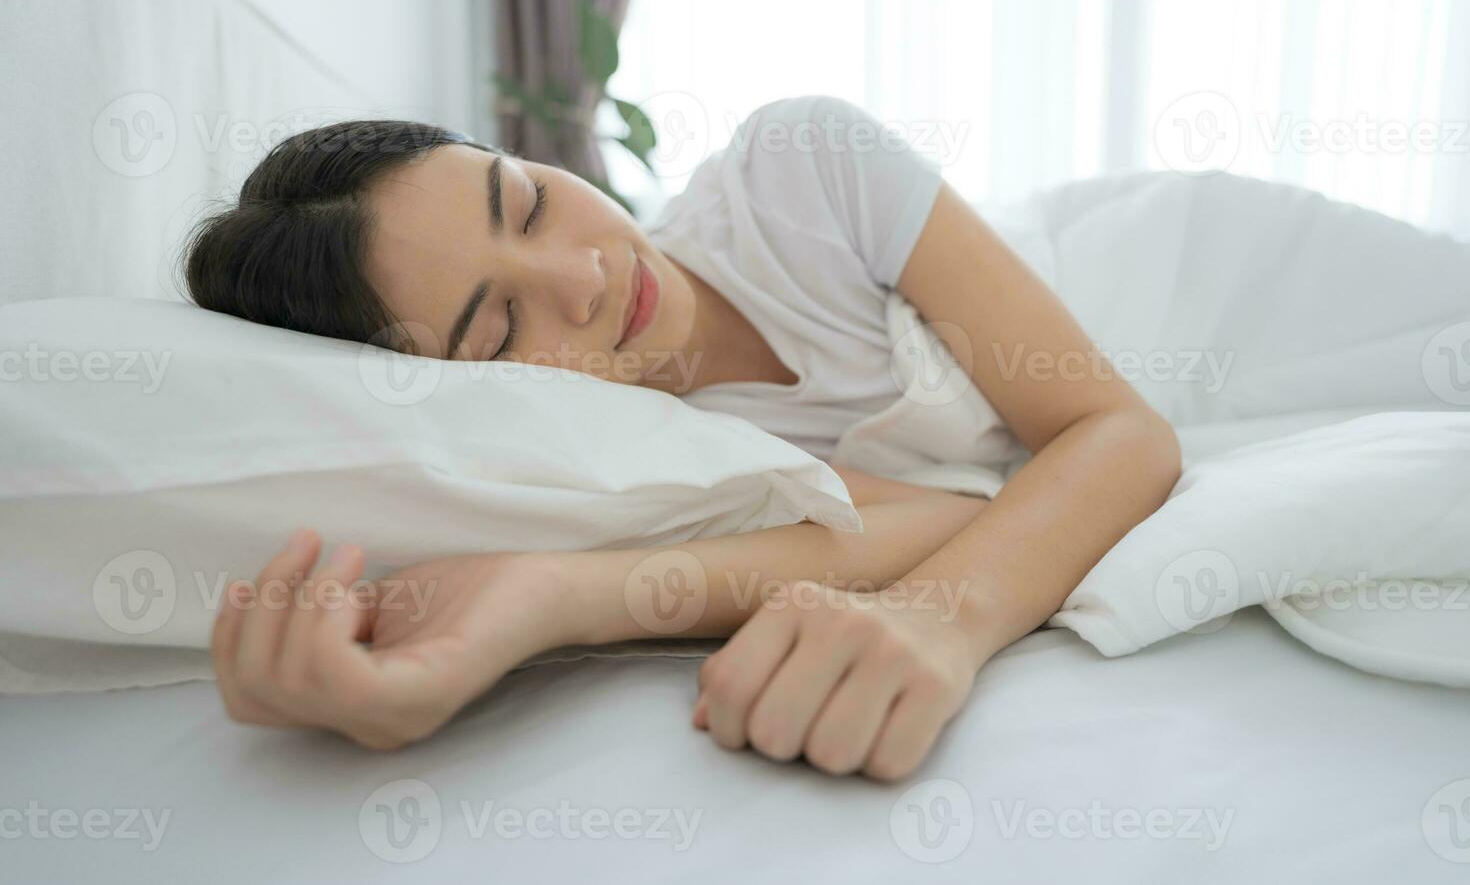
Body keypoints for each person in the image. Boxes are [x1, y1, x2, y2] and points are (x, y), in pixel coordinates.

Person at [183, 95, 1180, 779]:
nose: (585, 276)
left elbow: (1117, 428)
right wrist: (550, 596)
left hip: (1177, 276)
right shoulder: (638, 456)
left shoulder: (801, 172)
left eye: (526, 201)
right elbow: (961, 512)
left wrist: (944, 619)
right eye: (500, 328)